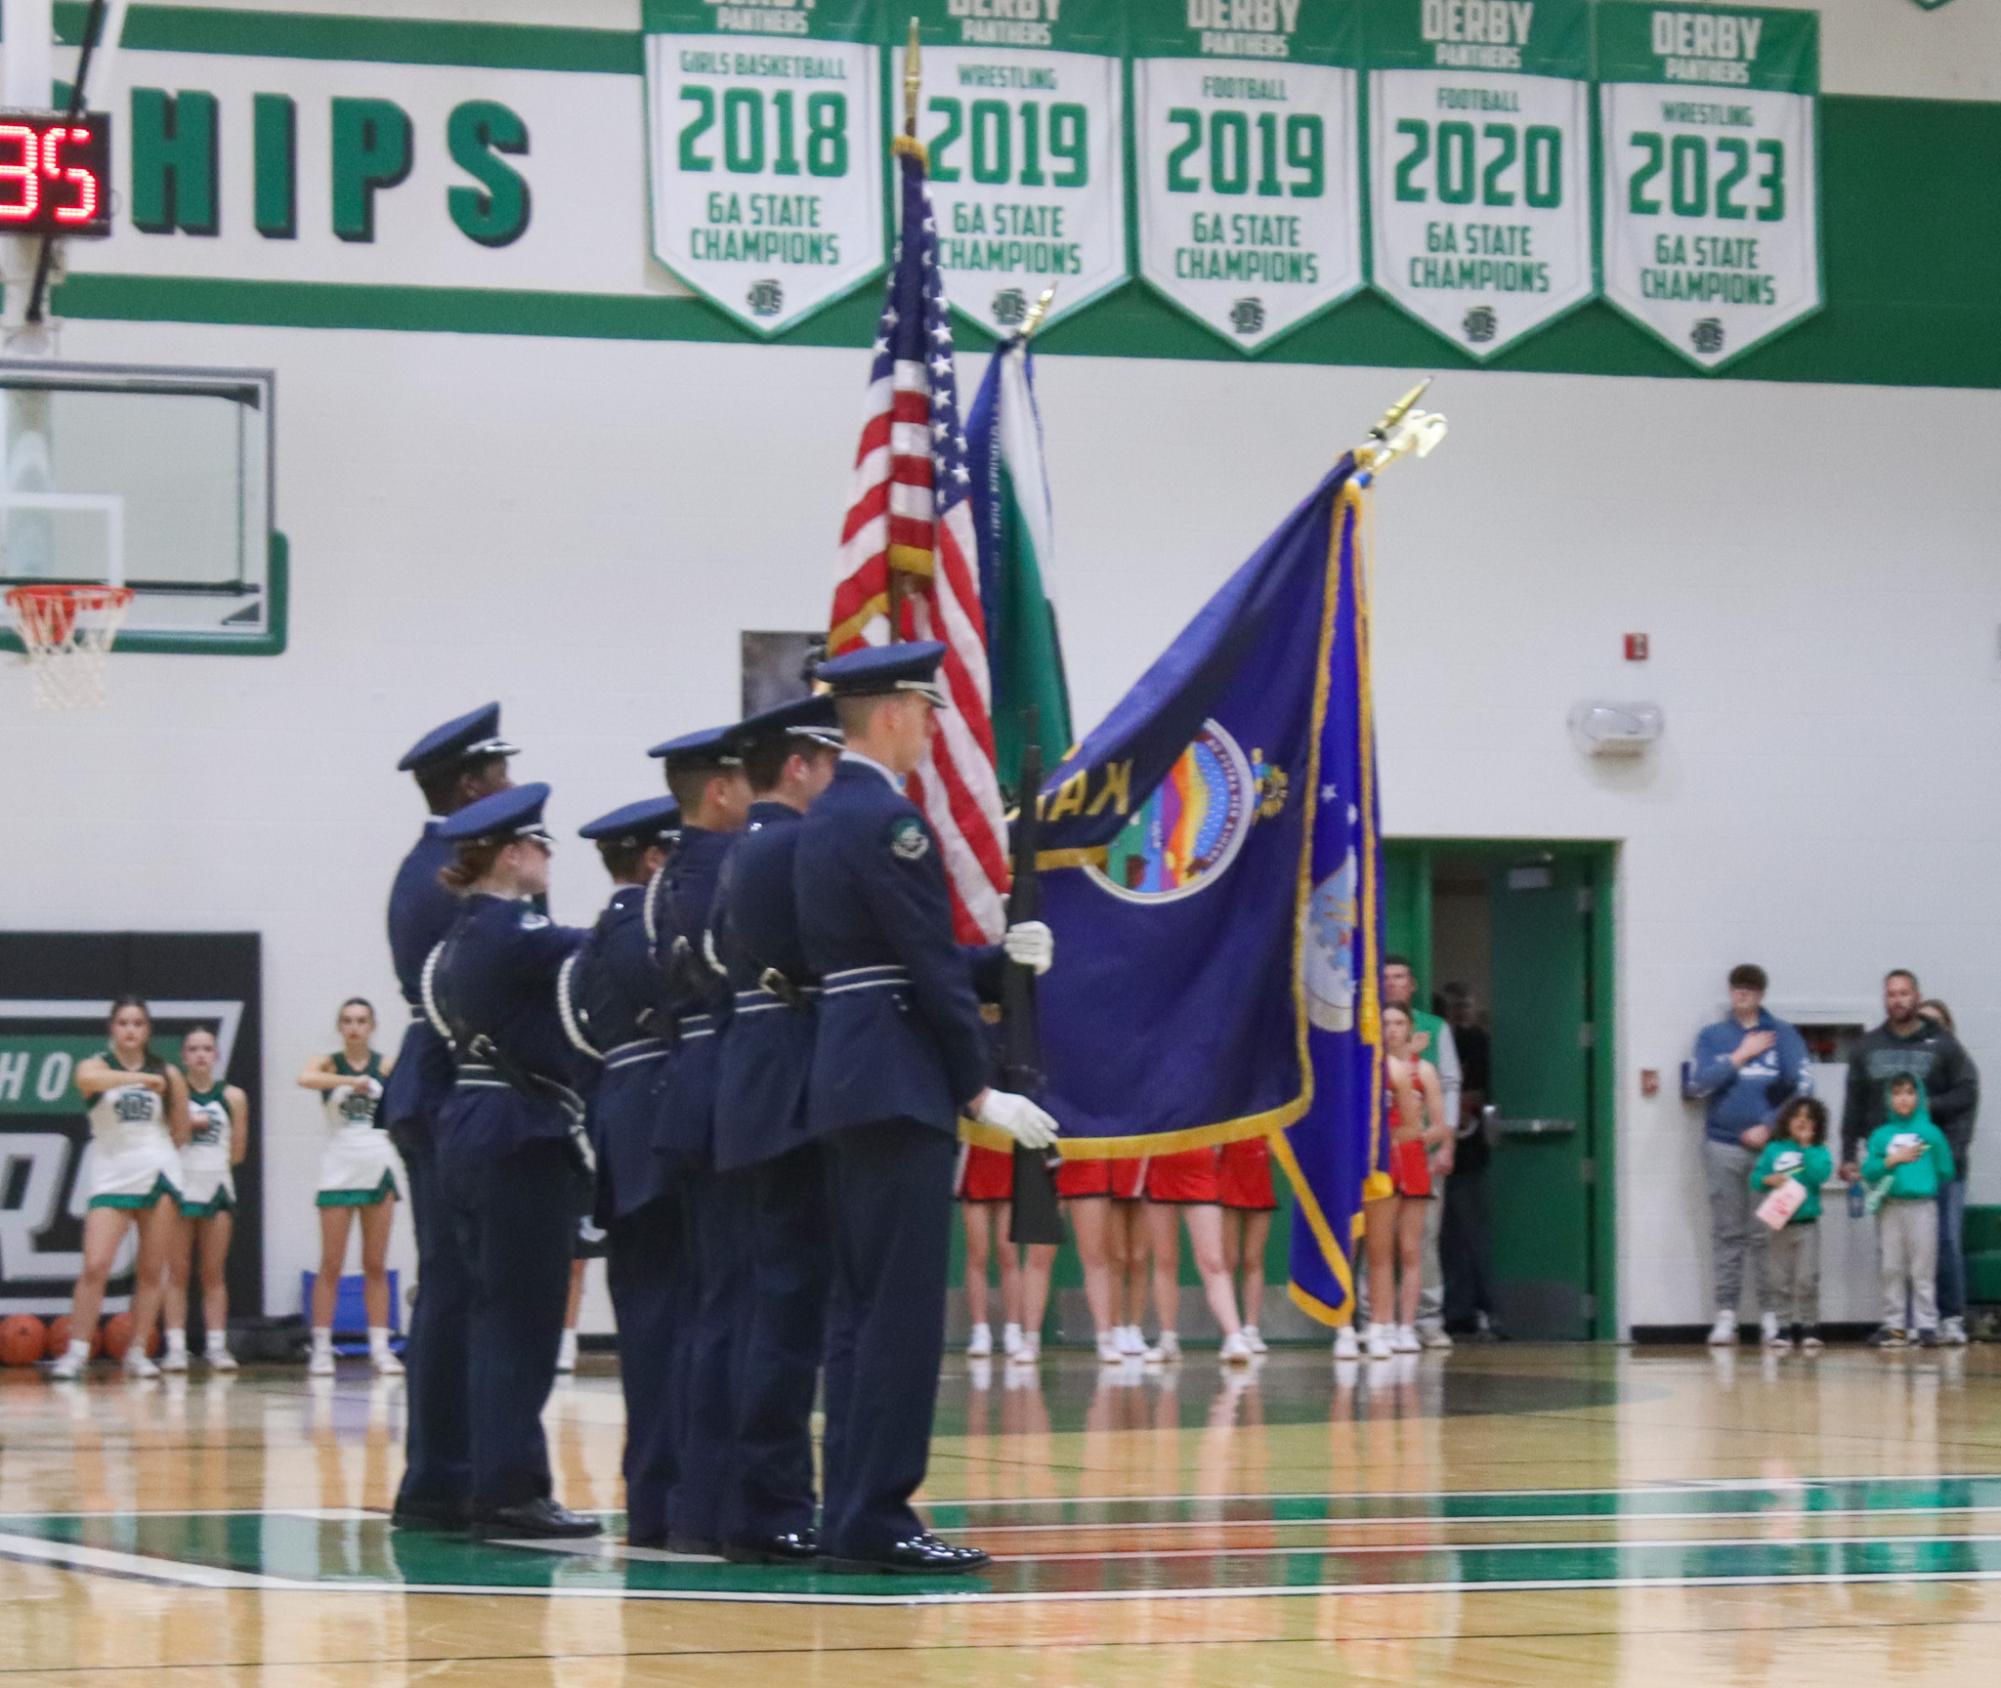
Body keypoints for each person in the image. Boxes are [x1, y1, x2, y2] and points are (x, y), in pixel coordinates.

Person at [795, 641, 1058, 1573]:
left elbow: (897, 959)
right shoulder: (891, 821)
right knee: (899, 1313)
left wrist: (996, 961)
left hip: (844, 1073)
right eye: (930, 708)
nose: (937, 725)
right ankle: (878, 1517)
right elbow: (921, 968)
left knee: (856, 1311)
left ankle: (848, 1510)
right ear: (895, 713)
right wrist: (977, 1086)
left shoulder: (825, 816)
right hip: (898, 1079)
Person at [427, 782, 600, 1538]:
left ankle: (486, 1480)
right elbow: (599, 953)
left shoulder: (456, 938)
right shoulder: (517, 935)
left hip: (468, 1124)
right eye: (540, 845)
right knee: (523, 1323)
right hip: (517, 1133)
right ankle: (510, 1490)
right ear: (511, 854)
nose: (548, 857)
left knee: (490, 1316)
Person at [709, 695, 842, 1563]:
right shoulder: (791, 847)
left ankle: (755, 1497)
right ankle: (770, 1504)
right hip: (788, 1090)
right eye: (827, 759)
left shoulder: (738, 850)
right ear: (797, 765)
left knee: (770, 1307)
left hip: (755, 1087)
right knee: (789, 1313)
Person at [382, 702, 516, 1531]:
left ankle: (446, 1472)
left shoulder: (438, 864)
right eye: (499, 771)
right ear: (471, 783)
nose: (511, 785)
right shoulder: (442, 876)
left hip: (440, 1084)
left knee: (456, 1289)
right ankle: (443, 1475)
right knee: (457, 1291)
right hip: (449, 1086)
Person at [646, 722, 753, 1555]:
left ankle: (693, 1498)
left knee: (706, 1308)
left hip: (683, 1089)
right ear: (719, 790)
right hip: (727, 1094)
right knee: (735, 1308)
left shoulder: (664, 875)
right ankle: (721, 1503)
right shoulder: (727, 868)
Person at [564, 794, 681, 1545]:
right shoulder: (649, 932)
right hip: (667, 1135)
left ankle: (650, 1499)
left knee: (645, 1327)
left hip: (617, 1139)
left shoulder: (585, 947)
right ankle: (678, 1497)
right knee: (680, 1323)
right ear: (651, 860)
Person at [46, 998, 190, 1380]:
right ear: (112, 1027)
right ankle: (76, 1352)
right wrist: (140, 1080)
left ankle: (138, 1351)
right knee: (95, 1265)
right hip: (111, 1175)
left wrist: (159, 1154)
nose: (130, 1030)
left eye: (138, 1023)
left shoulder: (169, 1073)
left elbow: (181, 1128)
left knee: (150, 1269)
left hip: (158, 1173)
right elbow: (87, 1083)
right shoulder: (95, 1066)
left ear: (148, 1030)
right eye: (123, 1022)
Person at [1686, 963, 1812, 1347]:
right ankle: (1726, 1315)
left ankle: (1773, 1316)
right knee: (1728, 1233)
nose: (1742, 995)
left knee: (1768, 1233)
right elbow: (1696, 1084)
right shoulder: (1712, 1036)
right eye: (1737, 988)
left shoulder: (1784, 1035)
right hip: (1722, 1145)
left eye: (1750, 989)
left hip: (1770, 1151)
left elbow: (1803, 1089)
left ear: (1761, 994)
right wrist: (1739, 1056)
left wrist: (1771, 1126)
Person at [298, 999, 404, 1377]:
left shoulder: (387, 1064)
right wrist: (350, 1081)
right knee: (331, 1263)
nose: (354, 1027)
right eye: (347, 1021)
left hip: (377, 1163)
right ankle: (323, 1347)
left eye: (361, 1021)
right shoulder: (327, 1063)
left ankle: (380, 1347)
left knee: (375, 1264)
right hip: (338, 1165)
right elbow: (304, 1079)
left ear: (372, 1025)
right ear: (340, 1027)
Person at [1381, 957, 1458, 1350]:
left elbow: (1447, 1099)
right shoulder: (1367, 1053)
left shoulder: (1433, 1038)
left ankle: (1420, 1321)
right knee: (1376, 1243)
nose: (1393, 983)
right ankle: (1372, 1320)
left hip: (1414, 1156)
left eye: (1399, 977)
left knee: (1417, 1242)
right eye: (1385, 978)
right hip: (1379, 1161)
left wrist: (1444, 1142)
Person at [162, 1025, 247, 1372]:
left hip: (216, 1187)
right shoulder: (170, 1096)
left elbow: (238, 1151)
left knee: (213, 1273)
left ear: (216, 1055)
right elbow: (162, 1144)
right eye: (193, 1049)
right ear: (183, 1056)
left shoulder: (233, 1096)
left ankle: (216, 1345)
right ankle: (176, 1348)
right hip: (180, 1188)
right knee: (177, 1273)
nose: (200, 1054)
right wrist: (185, 1126)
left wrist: (209, 1165)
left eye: (206, 1049)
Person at [1342, 1026, 1422, 1362]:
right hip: (1344, 1169)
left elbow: (1413, 1125)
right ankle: (1343, 1329)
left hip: (1381, 1168)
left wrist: (1383, 1144)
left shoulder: (1395, 1070)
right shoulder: (1340, 1066)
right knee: (1345, 1249)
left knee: (1381, 1251)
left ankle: (1379, 1328)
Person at [1861, 1075, 1957, 1349]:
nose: (1903, 1099)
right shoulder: (1881, 1135)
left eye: (1909, 1092)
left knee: (1923, 1267)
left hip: (1923, 1207)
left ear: (1919, 1097)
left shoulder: (1931, 1134)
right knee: (1892, 1267)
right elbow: (1869, 1171)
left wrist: (1921, 1177)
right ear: (1889, 1099)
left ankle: (1926, 1325)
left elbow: (1946, 1169)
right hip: (1891, 1208)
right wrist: (1893, 1160)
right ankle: (1895, 1327)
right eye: (1897, 1093)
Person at [1141, 1147, 1254, 1366]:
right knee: (1165, 1259)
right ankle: (1168, 1340)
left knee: (1212, 1260)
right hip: (1159, 1171)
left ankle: (1234, 1337)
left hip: (1200, 1171)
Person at [1750, 1097, 1833, 1354]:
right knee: (1779, 1279)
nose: (1802, 1122)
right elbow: (1756, 1178)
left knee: (1807, 1278)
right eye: (1797, 1116)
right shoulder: (1774, 1149)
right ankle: (1783, 1327)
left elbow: (1820, 1175)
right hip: (1779, 1224)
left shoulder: (1818, 1152)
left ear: (1817, 1126)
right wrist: (1768, 1179)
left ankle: (1810, 1326)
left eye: (1808, 1118)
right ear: (1786, 1120)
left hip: (1807, 1224)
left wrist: (1806, 1149)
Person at [1917, 998, 1978, 1346]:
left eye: (1936, 1022)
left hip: (1946, 1170)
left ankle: (1952, 1315)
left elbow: (1961, 1123)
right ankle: (1914, 1318)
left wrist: (1943, 1165)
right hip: (1909, 1174)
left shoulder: (1962, 1069)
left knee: (1946, 1240)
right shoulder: (1911, 1074)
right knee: (1912, 1249)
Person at [1438, 983, 1496, 1339]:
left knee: (1469, 1232)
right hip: (1438, 1151)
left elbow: (1479, 1089)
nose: (1461, 1011)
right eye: (1454, 1005)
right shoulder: (1444, 1042)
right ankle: (1455, 1308)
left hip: (1470, 1151)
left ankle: (1479, 1307)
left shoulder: (1479, 1042)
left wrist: (1464, 1106)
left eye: (1466, 1004)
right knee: (1446, 1237)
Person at [1056, 1154, 1149, 1362]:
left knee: (1140, 1257)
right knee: (1117, 1256)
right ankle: (1115, 1327)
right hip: (1112, 1171)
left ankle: (1135, 1328)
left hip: (1142, 1168)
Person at [958, 1144, 1024, 1359]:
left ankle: (1013, 1330)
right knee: (978, 1252)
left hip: (1010, 1158)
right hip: (975, 1158)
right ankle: (980, 1331)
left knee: (1009, 1252)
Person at [1219, 1136, 1279, 1354]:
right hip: (1229, 1177)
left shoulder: (1268, 1108)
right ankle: (1230, 1331)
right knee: (1229, 1259)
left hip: (1259, 1178)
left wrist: (1268, 1148)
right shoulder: (1226, 1107)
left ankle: (1251, 1329)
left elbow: (1278, 1146)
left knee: (1254, 1259)